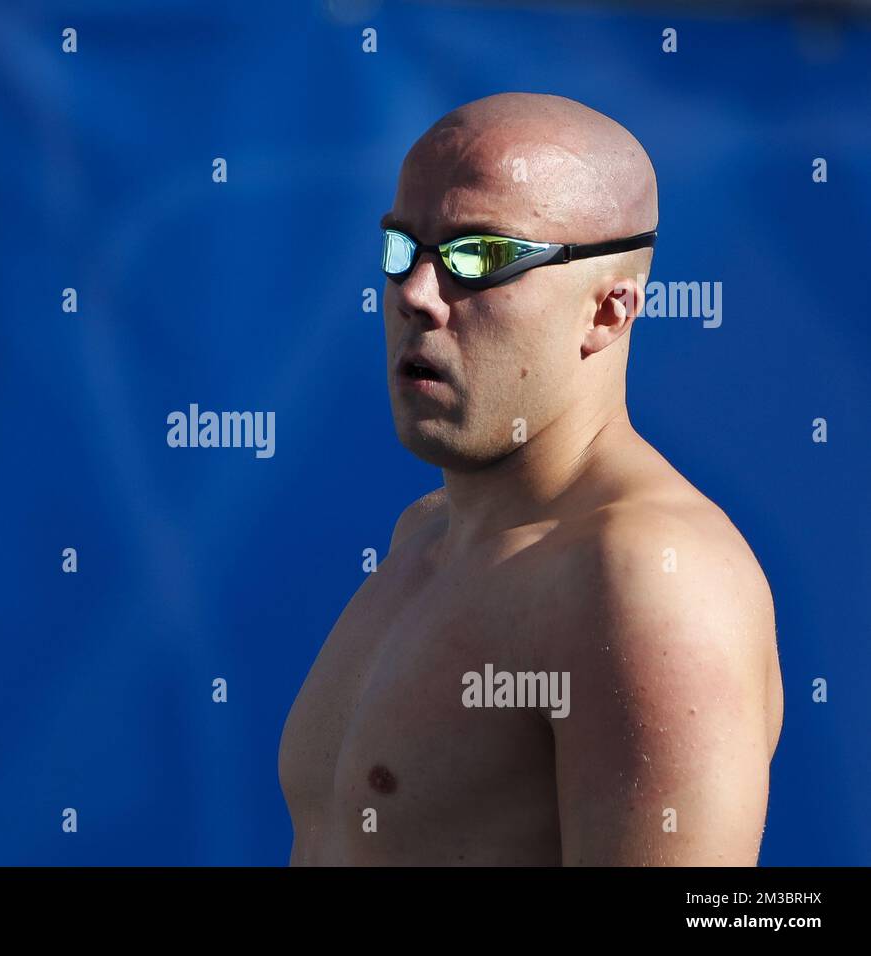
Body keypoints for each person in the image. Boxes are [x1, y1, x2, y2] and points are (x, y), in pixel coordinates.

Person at [278, 92, 783, 865]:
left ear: (608, 312)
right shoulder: (426, 533)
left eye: (477, 256)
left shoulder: (651, 582)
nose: (416, 293)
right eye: (401, 248)